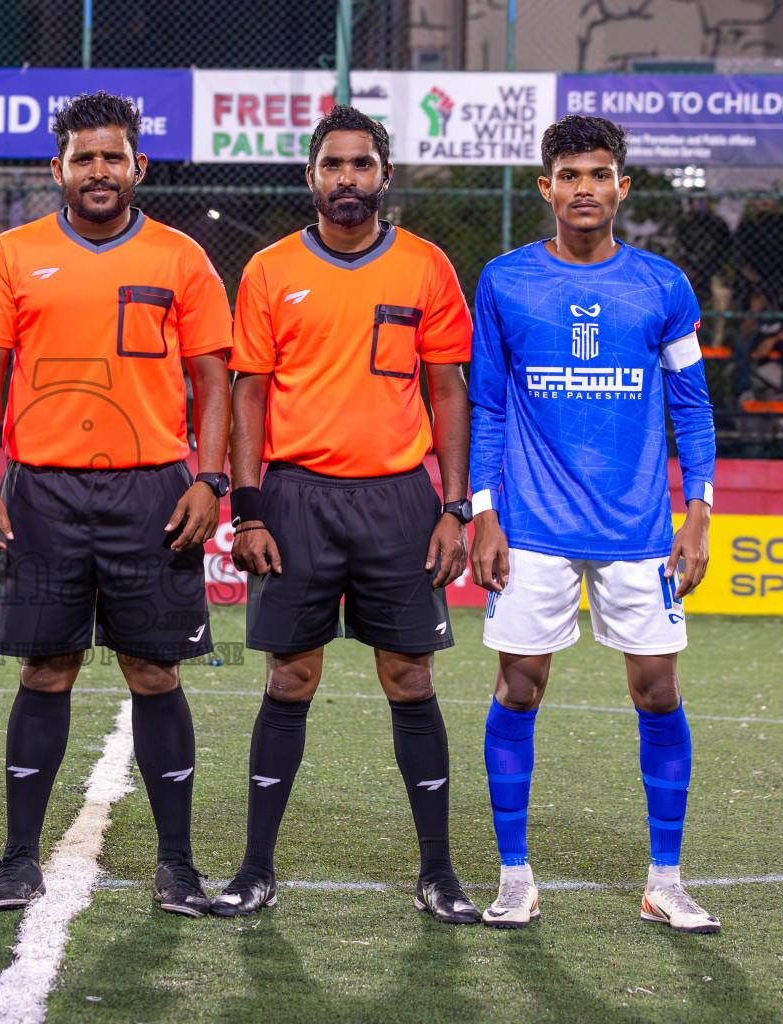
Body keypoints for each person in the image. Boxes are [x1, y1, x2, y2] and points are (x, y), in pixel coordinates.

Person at [0, 92, 234, 917]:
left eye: (113, 157)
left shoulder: (183, 258)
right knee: (48, 667)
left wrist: (209, 478)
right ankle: (16, 861)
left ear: (137, 166)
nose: (100, 171)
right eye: (84, 158)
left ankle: (178, 866)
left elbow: (215, 378)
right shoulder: (13, 254)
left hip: (153, 489)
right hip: (42, 489)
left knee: (155, 671)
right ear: (59, 169)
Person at [218, 106, 479, 923]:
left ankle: (438, 873)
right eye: (333, 166)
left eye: (362, 166)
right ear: (311, 177)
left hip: (400, 498)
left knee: (409, 676)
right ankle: (256, 868)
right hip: (295, 497)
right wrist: (250, 507)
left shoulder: (427, 267)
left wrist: (454, 506)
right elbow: (248, 393)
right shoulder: (267, 270)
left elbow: (447, 390)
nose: (347, 179)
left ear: (384, 176)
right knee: (290, 675)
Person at [468, 117, 720, 933]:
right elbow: (488, 407)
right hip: (533, 526)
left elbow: (691, 405)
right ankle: (513, 876)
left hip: (641, 529)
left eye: (599, 174)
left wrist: (700, 512)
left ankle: (666, 880)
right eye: (569, 174)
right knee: (519, 687)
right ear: (546, 188)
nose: (584, 188)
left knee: (658, 690)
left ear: (623, 187)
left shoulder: (663, 285)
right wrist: (483, 511)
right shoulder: (505, 281)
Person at [733, 289, 783, 405]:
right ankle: (744, 391)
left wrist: (773, 340)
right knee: (742, 347)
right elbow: (743, 332)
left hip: (778, 337)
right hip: (757, 337)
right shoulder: (748, 298)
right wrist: (754, 311)